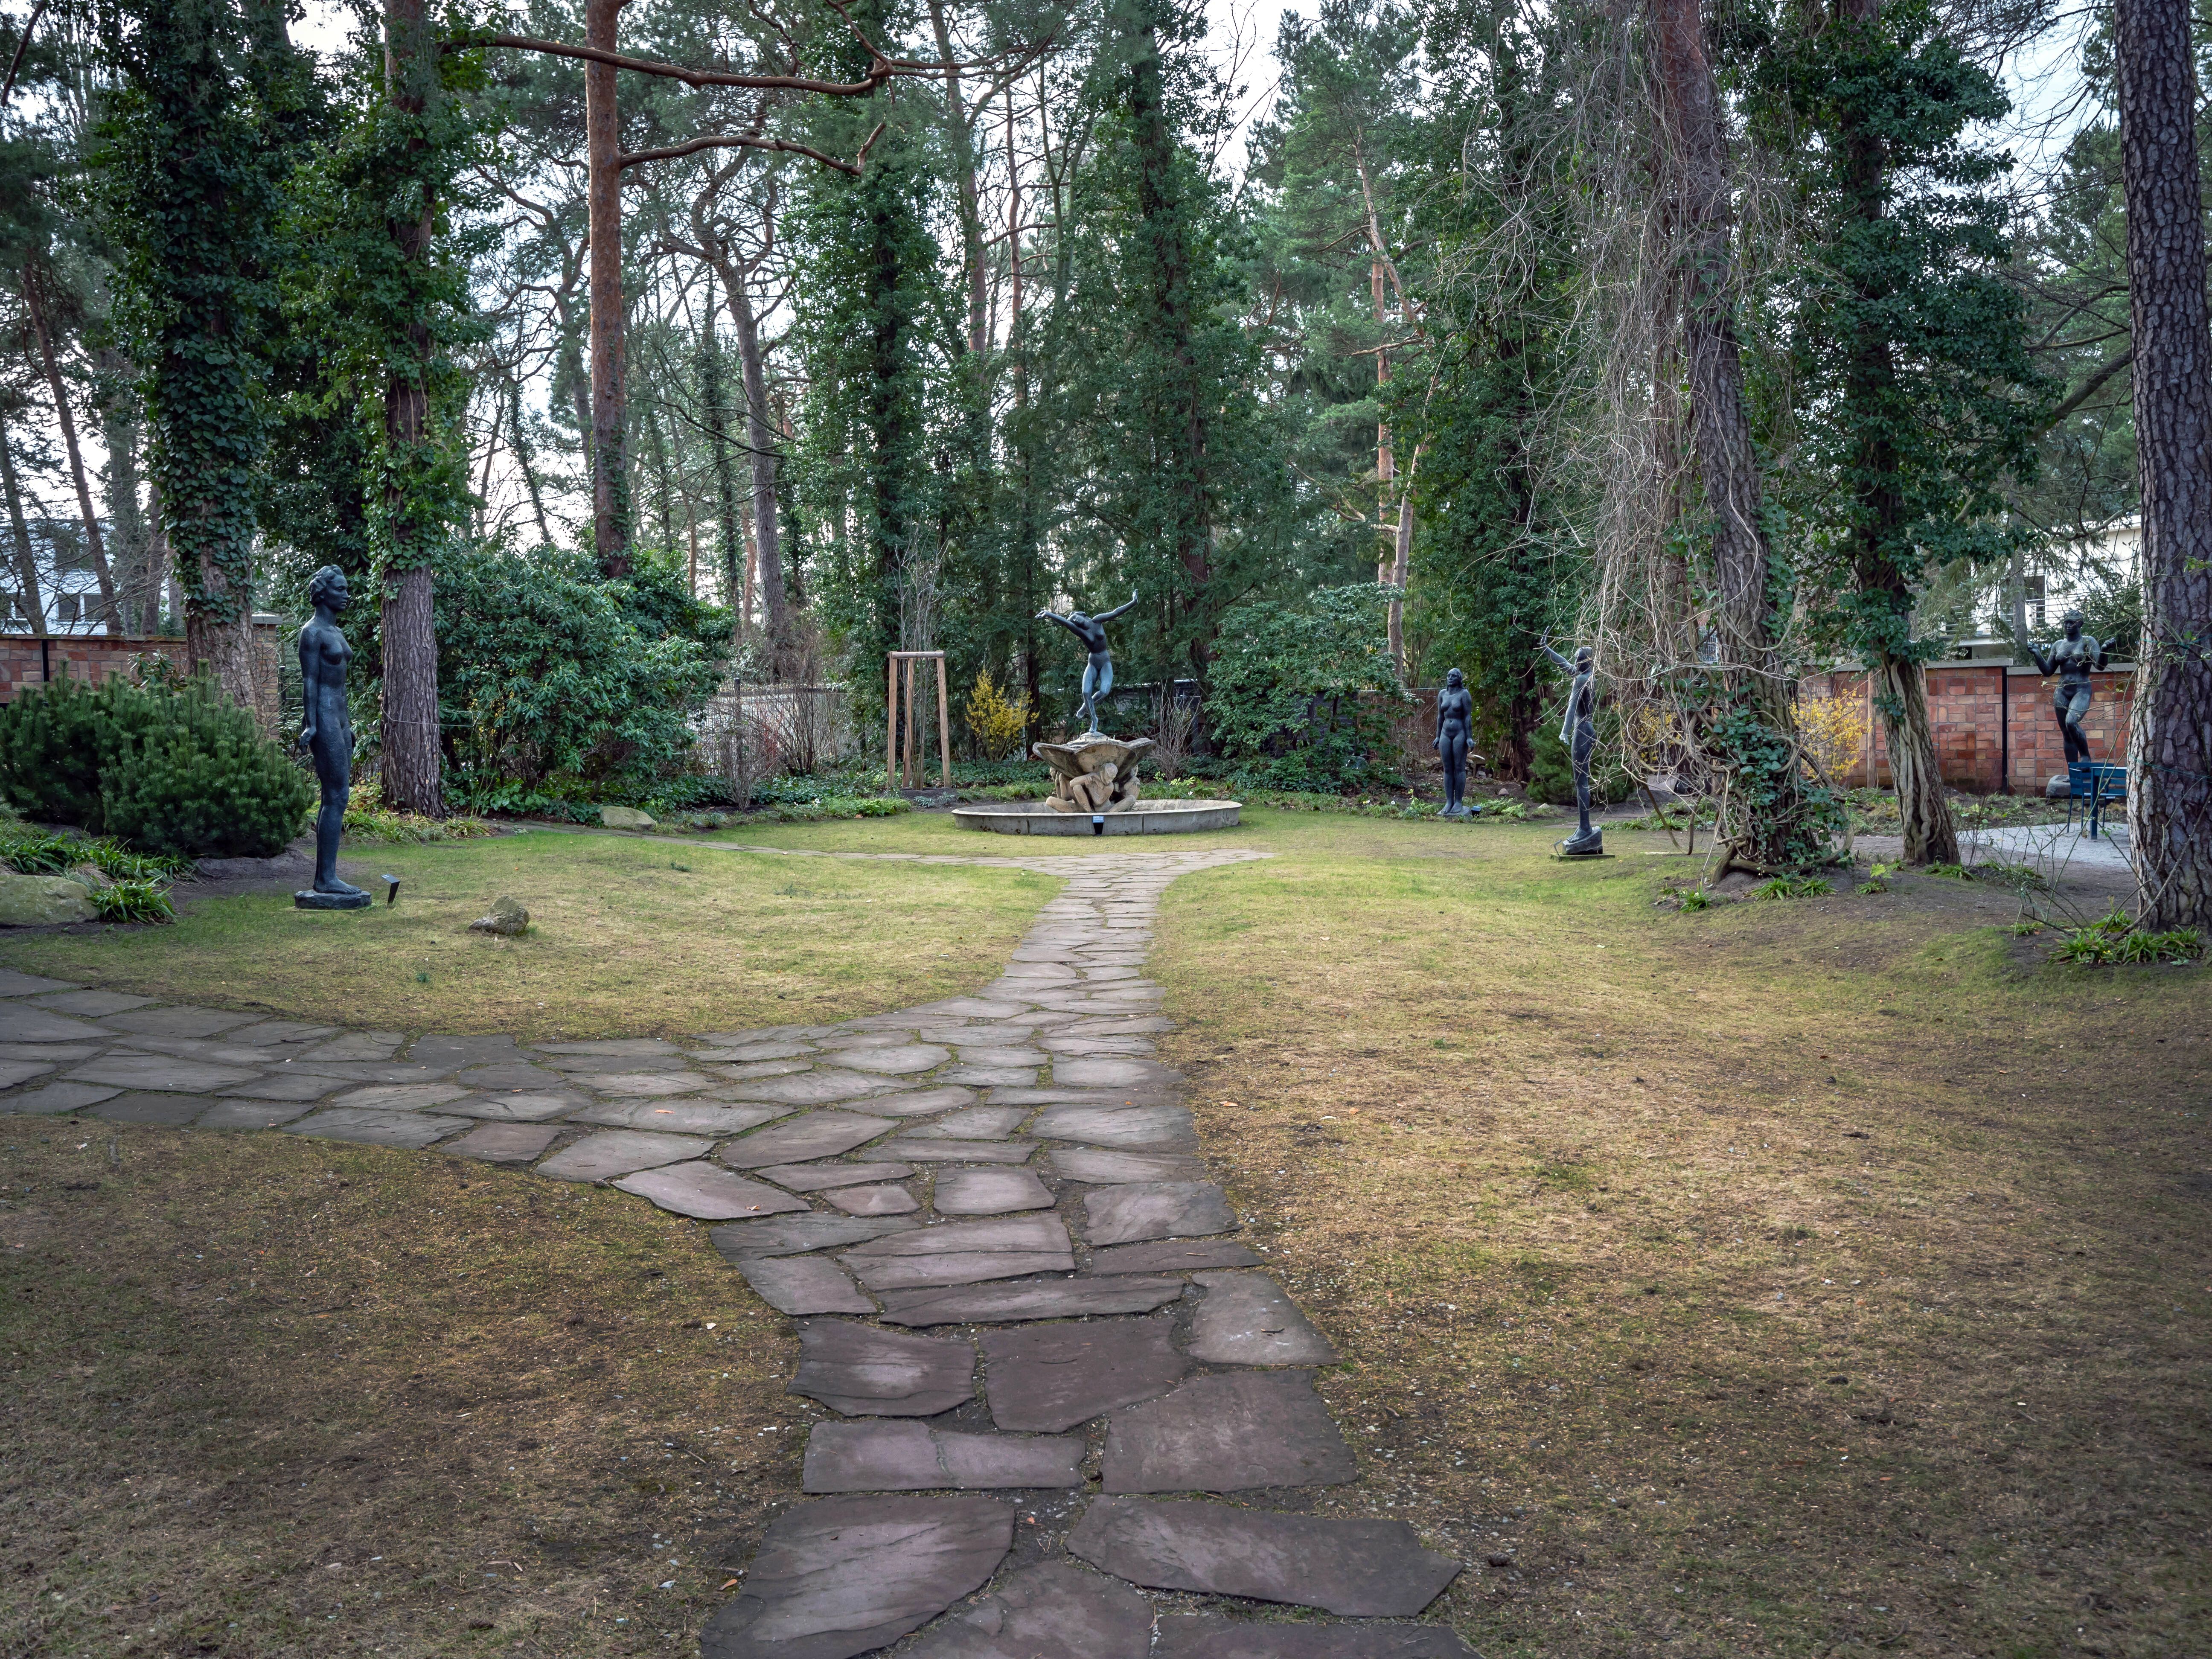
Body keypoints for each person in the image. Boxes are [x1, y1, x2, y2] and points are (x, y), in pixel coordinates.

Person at [297, 565, 367, 902]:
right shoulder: (312, 633)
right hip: (323, 720)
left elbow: (340, 686)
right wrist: (311, 724)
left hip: (339, 720)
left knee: (338, 796)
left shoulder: (336, 632)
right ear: (323, 593)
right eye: (340, 589)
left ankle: (328, 877)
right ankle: (326, 880)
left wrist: (348, 724)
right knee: (336, 796)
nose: (346, 594)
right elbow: (310, 681)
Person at [1035, 591, 1138, 733]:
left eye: (1075, 618)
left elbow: (1115, 612)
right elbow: (1065, 623)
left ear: (1083, 615)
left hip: (1105, 662)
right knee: (1085, 692)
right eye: (1073, 621)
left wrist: (1133, 602)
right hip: (1092, 663)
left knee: (1104, 691)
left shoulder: (1097, 621)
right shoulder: (1080, 632)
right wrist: (1048, 614)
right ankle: (1094, 720)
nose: (1074, 621)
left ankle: (1085, 707)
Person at [1540, 634, 1603, 854]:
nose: (1574, 662)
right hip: (1588, 729)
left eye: (1578, 659)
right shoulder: (1588, 675)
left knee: (1581, 780)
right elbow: (1564, 664)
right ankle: (1583, 828)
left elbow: (1570, 707)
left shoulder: (1581, 680)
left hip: (1582, 730)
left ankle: (1585, 828)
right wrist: (1547, 649)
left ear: (1585, 662)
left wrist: (1565, 731)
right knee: (1581, 780)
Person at [2022, 609, 2106, 768]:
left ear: (2080, 624)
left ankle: (2086, 757)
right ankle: (2073, 773)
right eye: (2066, 622)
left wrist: (2105, 652)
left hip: (2081, 690)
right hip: (2061, 691)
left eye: (2072, 622)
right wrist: (2037, 654)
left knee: (2071, 723)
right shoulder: (2058, 645)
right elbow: (2048, 671)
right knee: (2067, 735)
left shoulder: (2088, 642)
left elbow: (2100, 666)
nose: (2068, 626)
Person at [1434, 668, 1476, 816]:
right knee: (1447, 768)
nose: (1450, 678)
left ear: (1459, 679)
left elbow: (1467, 717)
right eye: (1448, 676)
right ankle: (1449, 801)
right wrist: (1438, 736)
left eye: (1454, 676)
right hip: (1445, 733)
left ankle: (1458, 801)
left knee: (1459, 767)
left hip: (1460, 734)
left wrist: (1469, 737)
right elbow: (1440, 717)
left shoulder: (1464, 694)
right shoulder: (1442, 694)